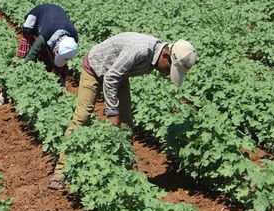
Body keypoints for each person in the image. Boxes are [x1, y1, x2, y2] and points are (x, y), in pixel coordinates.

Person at [48, 33, 198, 191]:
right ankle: (61, 172)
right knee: (82, 117)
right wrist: (112, 113)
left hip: (117, 74)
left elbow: (116, 75)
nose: (168, 74)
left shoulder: (157, 55)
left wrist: (118, 116)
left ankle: (130, 174)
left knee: (126, 123)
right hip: (95, 67)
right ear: (166, 55)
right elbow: (110, 78)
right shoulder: (141, 51)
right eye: (169, 69)